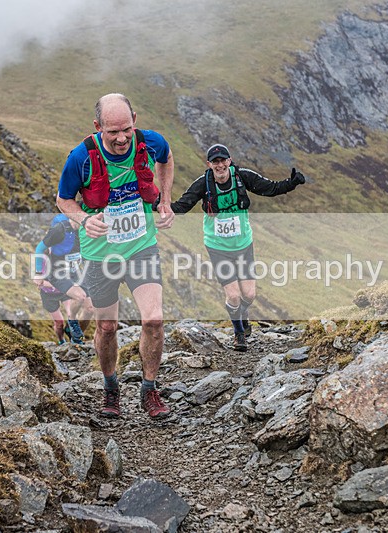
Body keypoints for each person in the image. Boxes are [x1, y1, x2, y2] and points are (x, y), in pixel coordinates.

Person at [56, 93, 176, 419]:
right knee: (107, 327)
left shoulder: (150, 142)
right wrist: (83, 219)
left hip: (141, 246)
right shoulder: (79, 158)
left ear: (134, 119)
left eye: (127, 128)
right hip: (101, 255)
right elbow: (63, 200)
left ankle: (150, 390)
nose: (122, 138)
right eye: (113, 132)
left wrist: (165, 201)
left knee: (153, 319)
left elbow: (166, 159)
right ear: (98, 127)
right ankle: (111, 387)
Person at [168, 143, 307, 351]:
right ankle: (239, 333)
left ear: (229, 161)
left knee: (249, 295)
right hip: (217, 247)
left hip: (243, 244)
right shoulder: (203, 184)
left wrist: (291, 183)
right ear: (209, 165)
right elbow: (181, 207)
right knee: (233, 295)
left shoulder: (242, 177)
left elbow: (270, 189)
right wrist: (156, 204)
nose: (220, 165)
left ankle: (242, 314)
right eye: (215, 162)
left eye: (223, 160)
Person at [33, 213, 94, 344]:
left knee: (90, 309)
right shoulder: (60, 230)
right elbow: (39, 249)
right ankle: (70, 325)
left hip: (76, 272)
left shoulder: (86, 230)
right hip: (58, 274)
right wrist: (38, 273)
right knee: (79, 297)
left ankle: (74, 336)